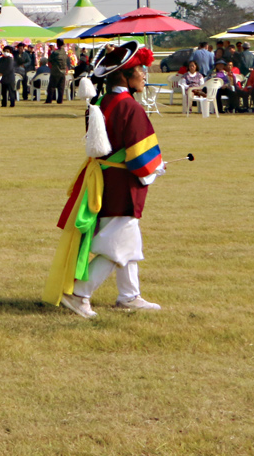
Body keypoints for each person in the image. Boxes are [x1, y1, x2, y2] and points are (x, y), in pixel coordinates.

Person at [45, 41, 167, 317]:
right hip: (123, 184)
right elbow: (139, 157)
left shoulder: (98, 102)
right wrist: (156, 167)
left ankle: (129, 295)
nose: (145, 75)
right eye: (140, 70)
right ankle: (79, 293)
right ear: (125, 75)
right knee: (118, 245)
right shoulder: (131, 108)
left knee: (126, 239)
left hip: (101, 178)